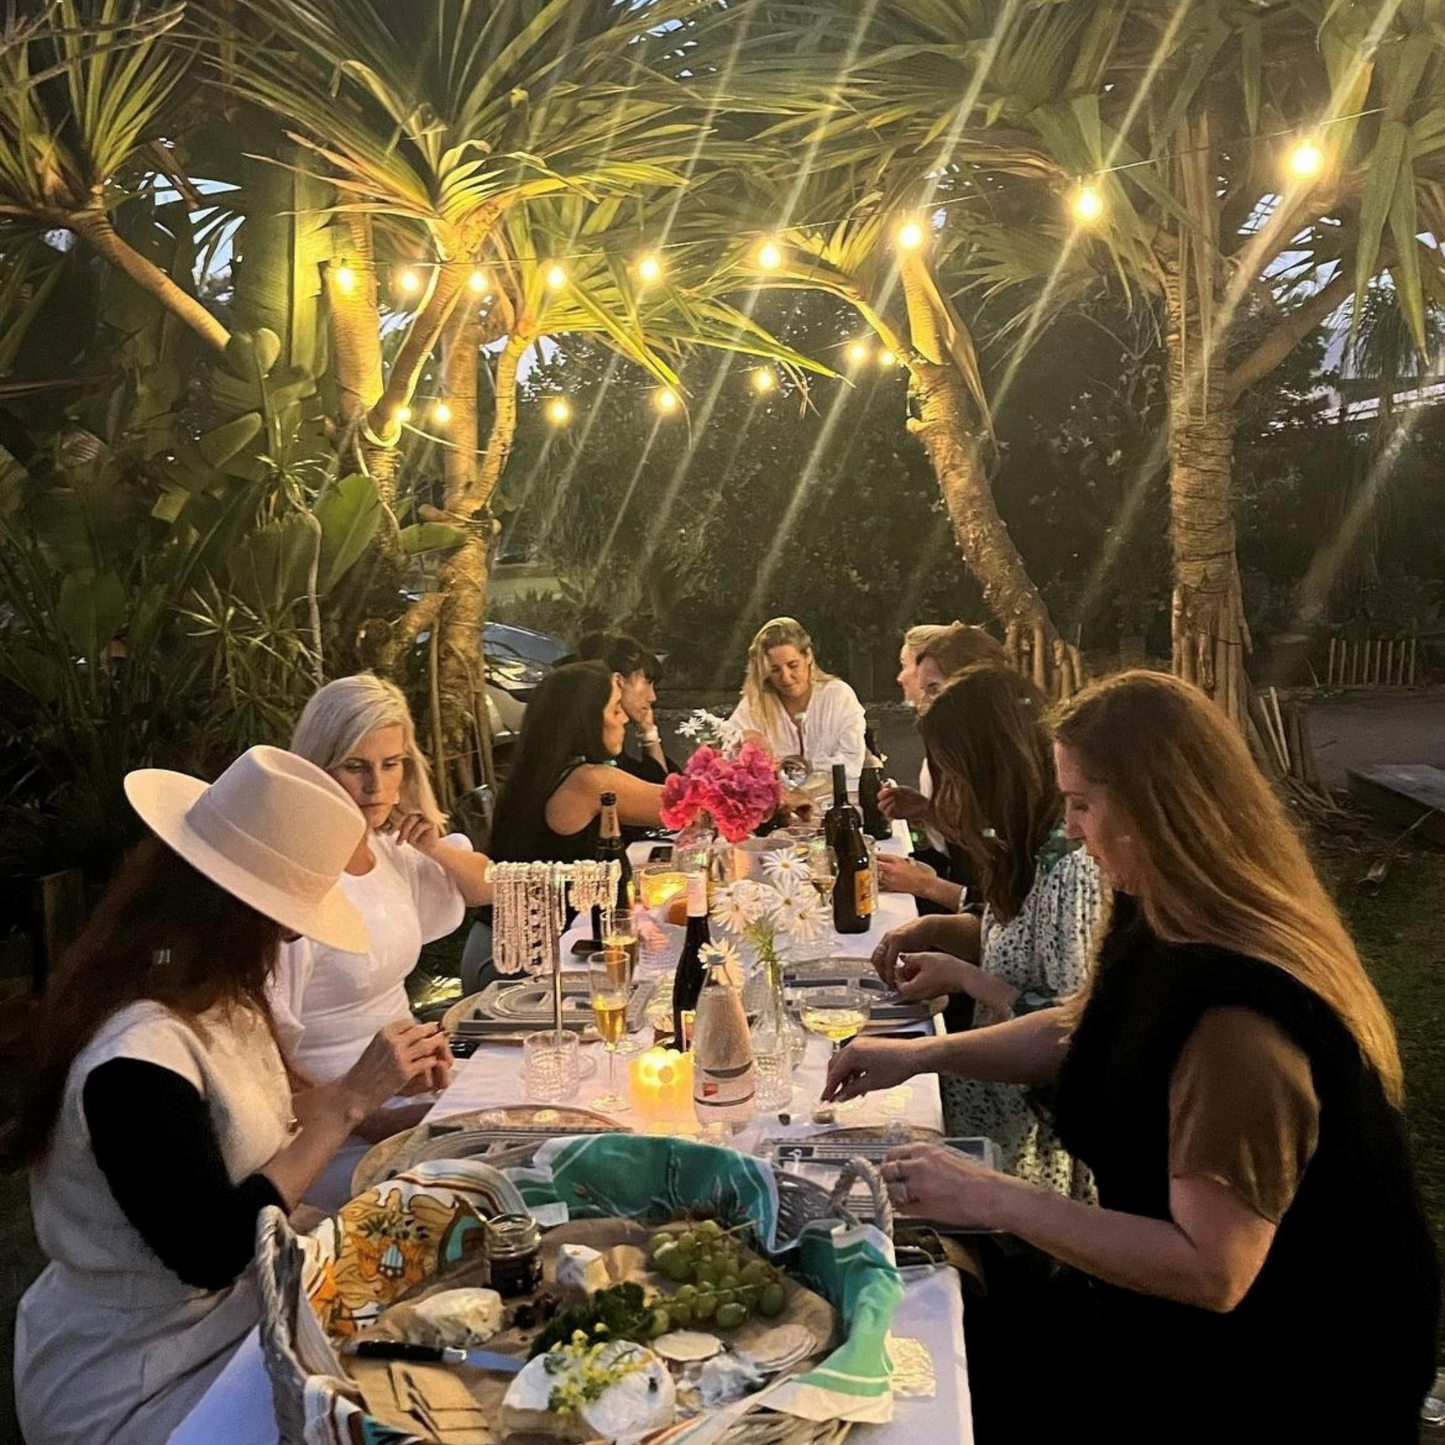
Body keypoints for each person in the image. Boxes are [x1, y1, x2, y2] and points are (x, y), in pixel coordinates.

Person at [827, 671, 1440, 1440]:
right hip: (1179, 1336)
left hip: (1290, 1377)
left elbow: (1213, 1268)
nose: (1070, 827)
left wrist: (989, 1196)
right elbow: (1078, 1029)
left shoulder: (1238, 1017)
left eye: (1082, 802)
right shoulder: (1160, 912)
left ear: (1158, 808)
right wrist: (917, 1057)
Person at [7, 747, 450, 1445]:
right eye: (285, 917)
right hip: (138, 1373)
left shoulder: (211, 997)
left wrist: (377, 1096)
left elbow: (249, 1121)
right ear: (230, 910)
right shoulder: (132, 1061)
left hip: (235, 1319)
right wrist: (347, 1104)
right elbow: (212, 1249)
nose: (292, 934)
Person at [860, 664, 1101, 1196]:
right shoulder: (1017, 841)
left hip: (1028, 1152)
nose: (946, 796)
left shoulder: (1070, 865)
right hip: (984, 1107)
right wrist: (936, 928)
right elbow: (1011, 939)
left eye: (952, 777)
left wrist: (964, 977)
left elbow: (1069, 1030)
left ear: (994, 768)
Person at [277, 674, 494, 1209]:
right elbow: (266, 1062)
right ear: (317, 766)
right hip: (326, 1126)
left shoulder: (390, 850)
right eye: (356, 766)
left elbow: (492, 888)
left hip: (412, 1084)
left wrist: (435, 847)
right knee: (481, 1190)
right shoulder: (290, 883)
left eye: (391, 764)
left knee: (539, 1123)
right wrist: (370, 1114)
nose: (376, 787)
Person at [878, 622, 1007, 912]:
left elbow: (1004, 909)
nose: (925, 705)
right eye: (925, 691)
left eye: (934, 690)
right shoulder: (957, 752)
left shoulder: (1004, 768)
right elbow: (970, 843)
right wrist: (925, 811)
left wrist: (926, 885)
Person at [490, 660, 665, 863]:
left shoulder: (540, 772)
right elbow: (684, 806)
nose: (624, 718)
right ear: (588, 720)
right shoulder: (588, 781)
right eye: (615, 709)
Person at [728, 617, 866, 785]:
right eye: (775, 670)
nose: (786, 678)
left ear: (808, 656)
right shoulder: (754, 705)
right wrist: (743, 743)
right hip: (778, 801)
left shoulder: (838, 696)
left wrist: (799, 768)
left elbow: (852, 764)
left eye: (793, 665)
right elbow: (729, 761)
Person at [573, 631, 680, 783]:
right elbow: (658, 793)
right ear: (618, 681)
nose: (652, 697)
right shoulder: (588, 752)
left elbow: (657, 782)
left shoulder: (608, 745)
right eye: (647, 683)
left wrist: (648, 733)